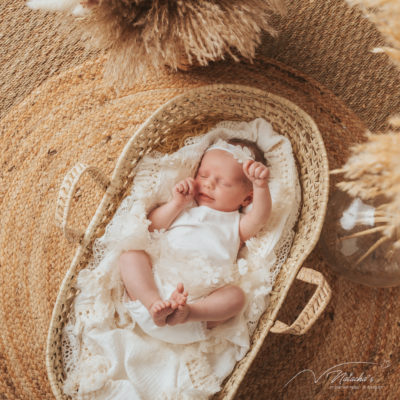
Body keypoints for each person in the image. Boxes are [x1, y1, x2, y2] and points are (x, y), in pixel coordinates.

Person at [119, 138, 271, 333]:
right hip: (153, 289)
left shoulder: (237, 224)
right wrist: (176, 204)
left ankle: (187, 312)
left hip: (197, 310)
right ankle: (154, 305)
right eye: (203, 175)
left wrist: (260, 186)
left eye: (223, 183)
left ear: (247, 198)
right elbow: (151, 227)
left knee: (236, 297)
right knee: (130, 256)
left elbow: (260, 217)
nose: (208, 184)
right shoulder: (186, 207)